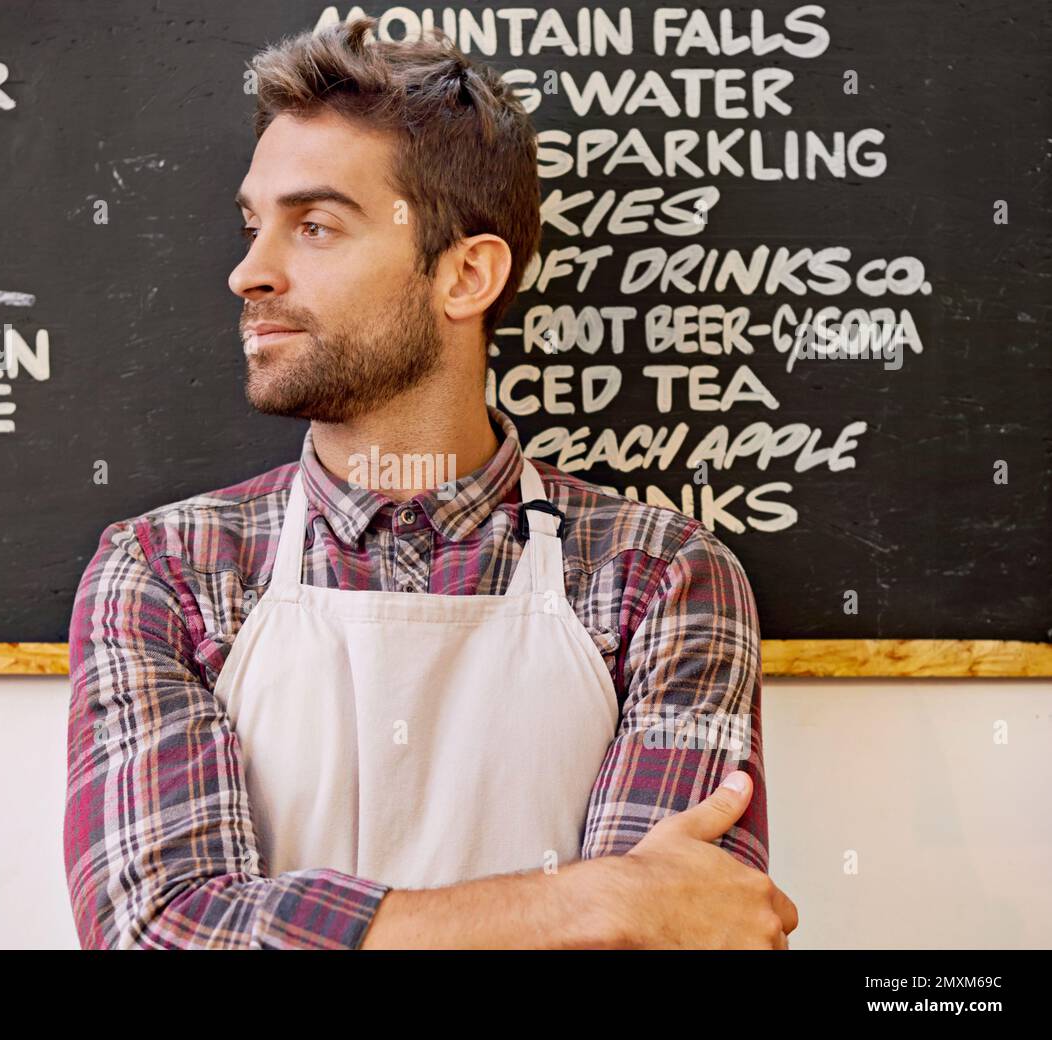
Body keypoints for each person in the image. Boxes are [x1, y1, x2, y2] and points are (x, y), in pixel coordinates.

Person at [63, 16, 798, 950]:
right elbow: (155, 929)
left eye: (315, 225)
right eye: (254, 226)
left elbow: (676, 937)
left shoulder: (664, 578)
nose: (249, 271)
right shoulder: (165, 570)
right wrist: (590, 903)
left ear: (464, 275)